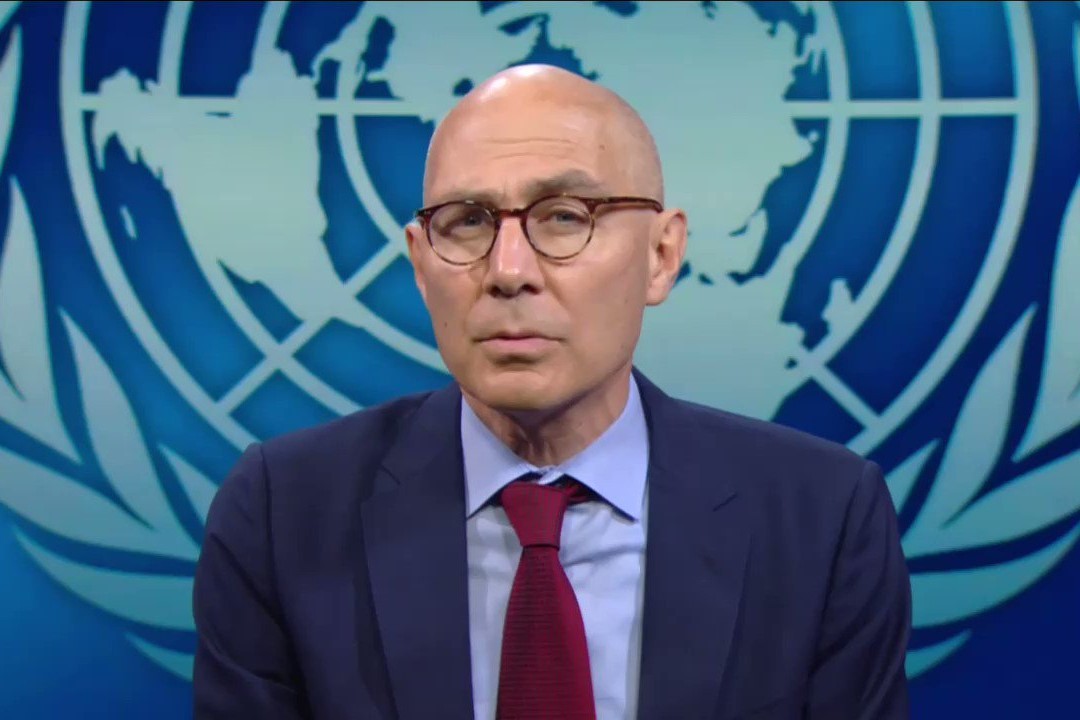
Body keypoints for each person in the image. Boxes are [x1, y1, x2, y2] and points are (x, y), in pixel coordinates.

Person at [192, 64, 911, 720]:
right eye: (467, 222)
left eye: (565, 216)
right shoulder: (283, 514)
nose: (509, 271)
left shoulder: (823, 519)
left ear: (661, 256)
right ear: (420, 264)